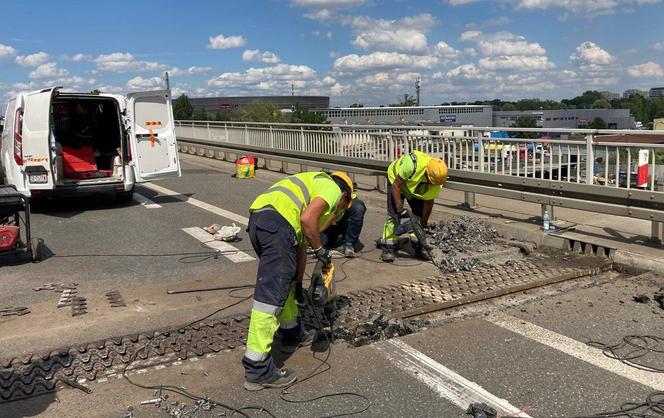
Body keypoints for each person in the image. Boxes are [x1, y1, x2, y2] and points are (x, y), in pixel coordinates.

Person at [243, 171, 354, 391]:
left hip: (261, 222)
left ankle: (292, 333)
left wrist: (297, 283)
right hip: (277, 226)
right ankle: (257, 369)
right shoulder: (332, 188)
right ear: (344, 196)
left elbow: (301, 245)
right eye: (342, 206)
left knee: (285, 288)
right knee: (270, 299)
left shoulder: (309, 188)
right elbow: (307, 220)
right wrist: (321, 251)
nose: (338, 211)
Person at [379, 150, 448, 262]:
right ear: (427, 173)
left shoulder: (437, 180)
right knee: (394, 216)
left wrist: (424, 221)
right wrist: (400, 208)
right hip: (396, 181)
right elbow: (396, 185)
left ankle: (418, 246)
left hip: (412, 187)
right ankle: (388, 248)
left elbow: (429, 202)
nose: (433, 185)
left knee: (418, 216)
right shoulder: (412, 165)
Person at [320, 172, 366, 258]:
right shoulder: (323, 193)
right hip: (329, 224)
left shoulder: (347, 192)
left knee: (358, 207)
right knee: (322, 245)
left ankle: (349, 243)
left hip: (342, 220)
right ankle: (331, 239)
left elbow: (336, 213)